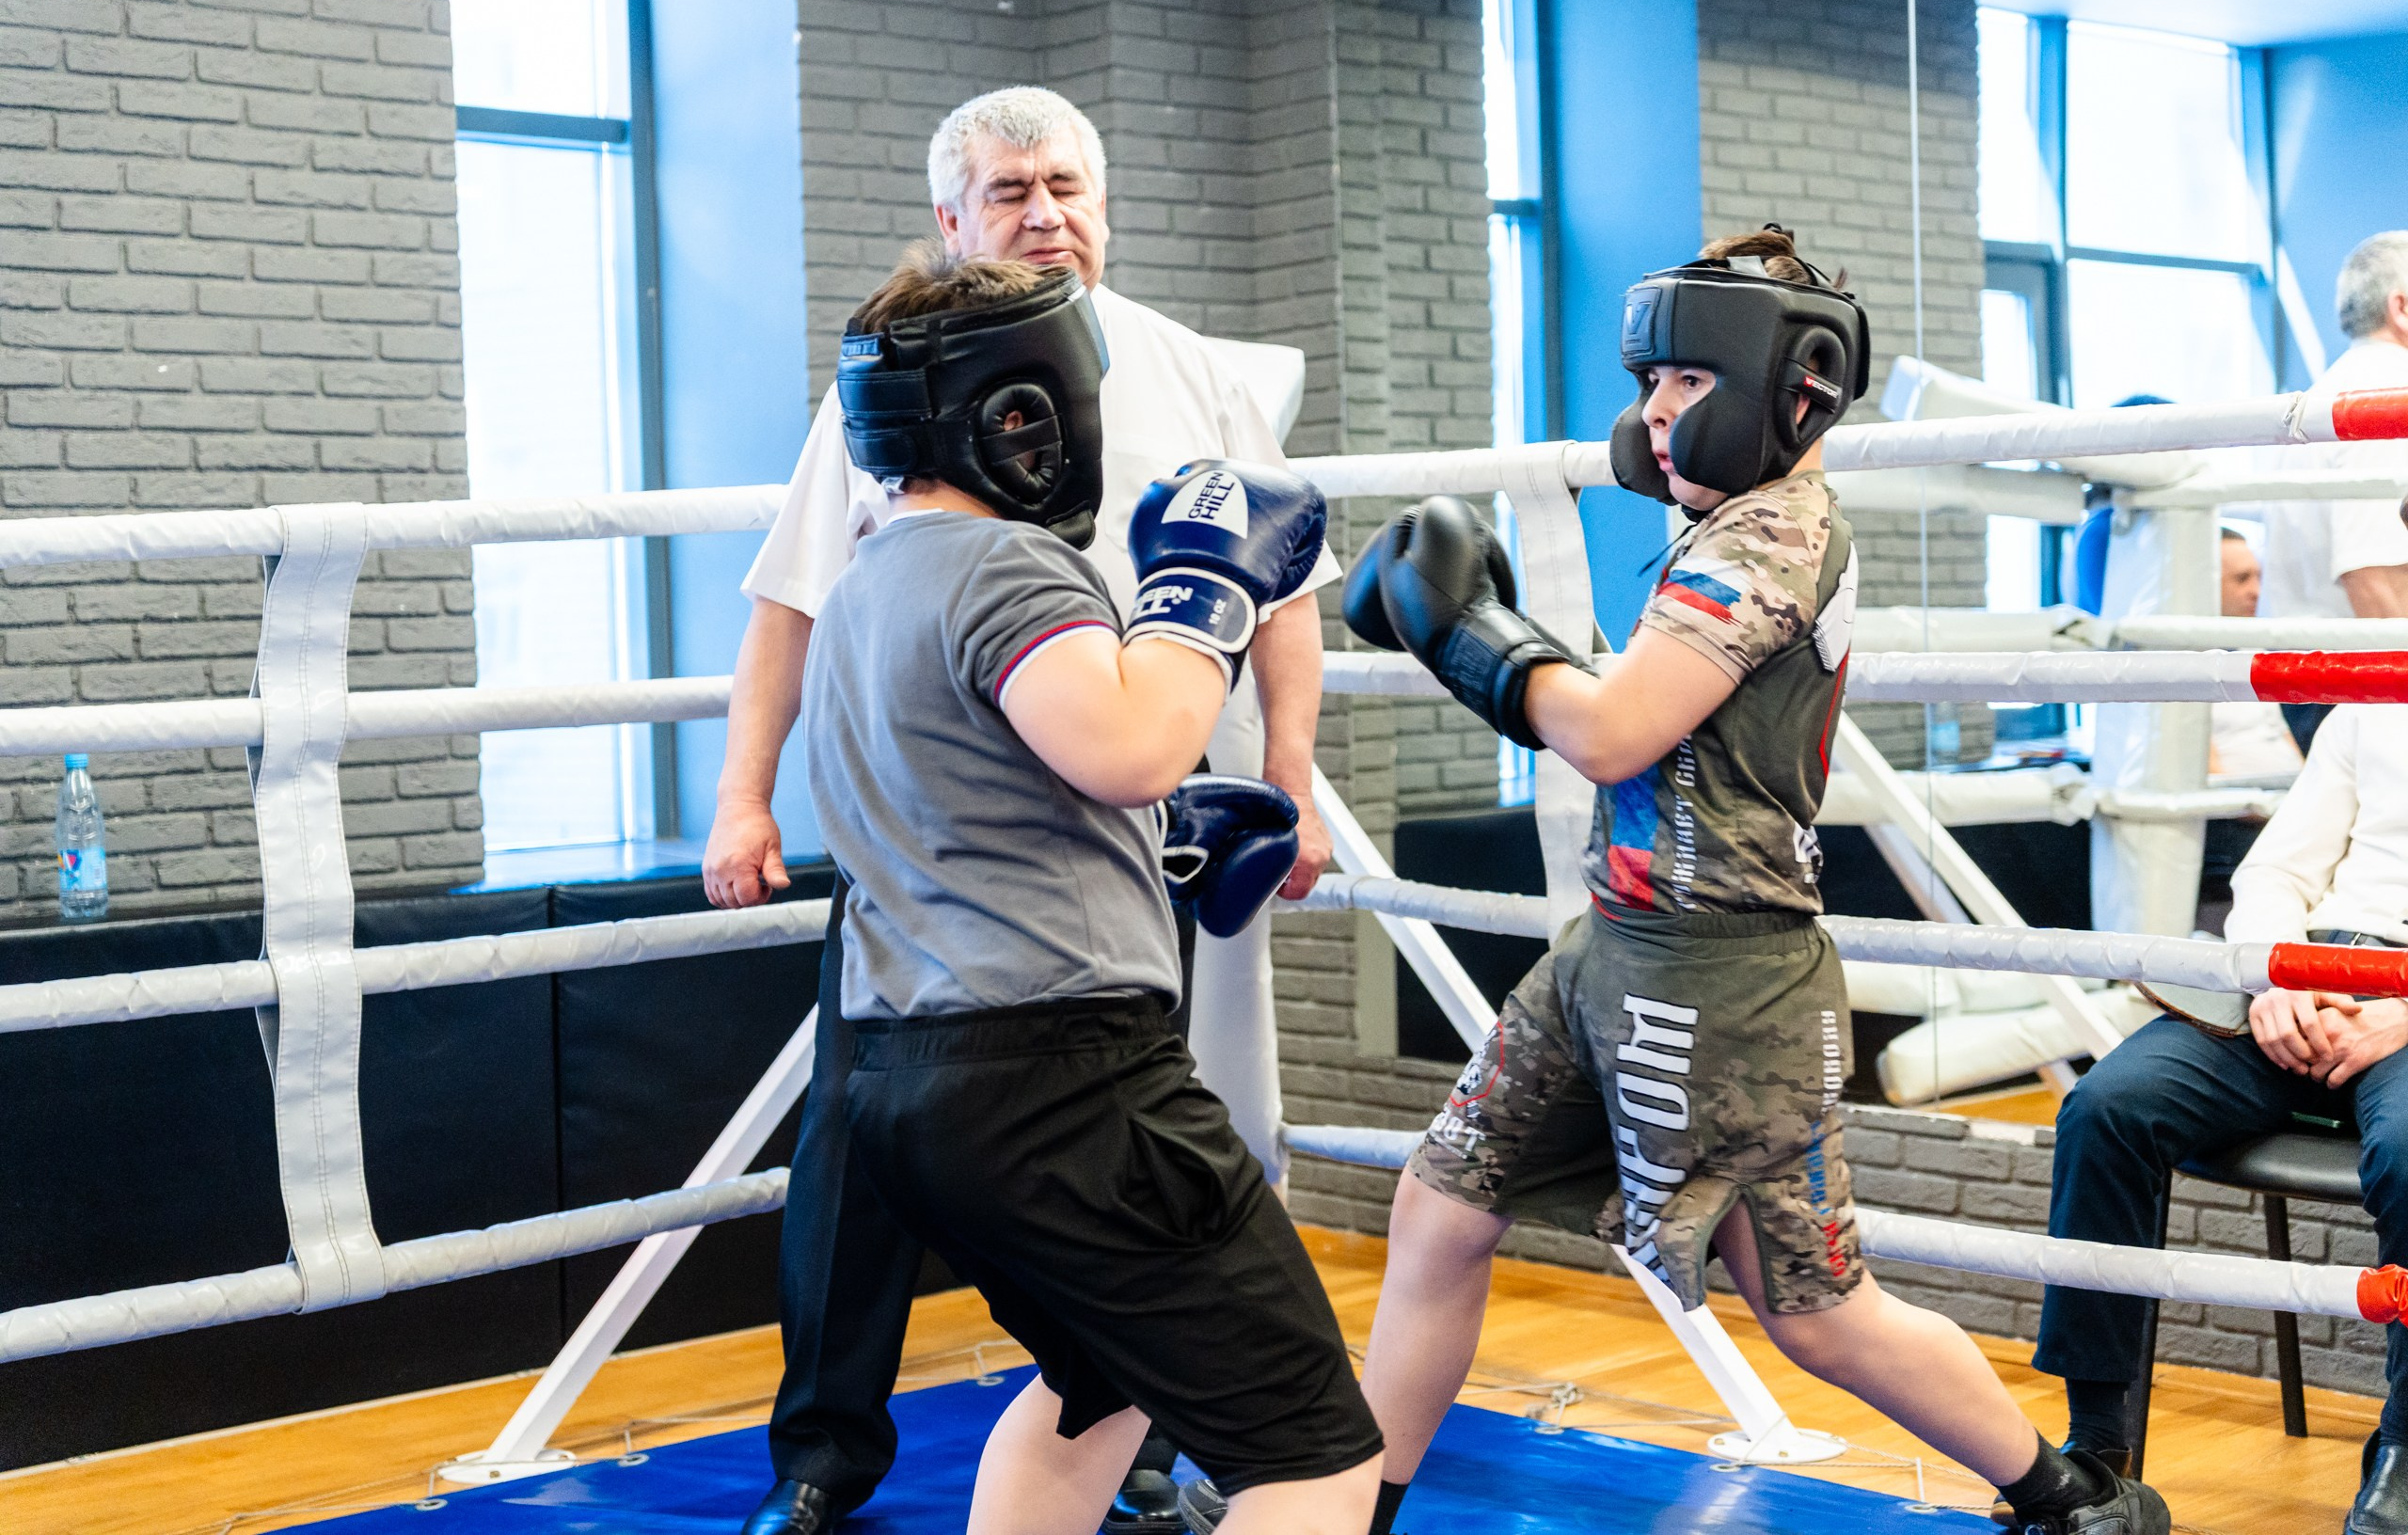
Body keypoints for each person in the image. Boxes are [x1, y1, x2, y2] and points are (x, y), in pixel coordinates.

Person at [1191, 229, 2167, 1535]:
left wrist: (1467, 630)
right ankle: (1355, 1502)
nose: (1654, 409)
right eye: (1651, 379)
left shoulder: (1764, 542)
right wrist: (1611, 480)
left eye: (1686, 383)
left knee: (1817, 1310)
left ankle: (2065, 1497)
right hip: (1620, 946)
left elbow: (1607, 730)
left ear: (1790, 384)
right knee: (1441, 1203)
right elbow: (1627, 596)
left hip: (1728, 980)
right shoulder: (1724, 509)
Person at [717, 87, 1339, 1535]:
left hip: (1142, 842)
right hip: (986, 852)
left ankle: (1156, 1416)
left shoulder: (1188, 372)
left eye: (1066, 184)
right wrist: (744, 792)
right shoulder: (921, 429)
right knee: (904, 1161)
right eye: (1008, 191)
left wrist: (1293, 777)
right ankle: (826, 1457)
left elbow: (1289, 598)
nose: (1044, 210)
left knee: (1174, 1156)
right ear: (951, 222)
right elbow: (794, 603)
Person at [2038, 674, 2408, 1535]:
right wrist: (2276, 970)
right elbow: (2276, 869)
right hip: (2307, 977)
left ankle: (2403, 1447)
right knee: (2107, 1109)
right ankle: (2098, 1445)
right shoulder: (2375, 701)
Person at [2259, 231, 2408, 752]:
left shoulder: (2327, 393)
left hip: (2326, 677)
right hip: (2366, 682)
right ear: (2402, 308)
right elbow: (2374, 577)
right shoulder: (2389, 395)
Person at [2210, 527, 2303, 783]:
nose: (2256, 591)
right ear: (2204, 584)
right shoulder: (2179, 665)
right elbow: (2203, 772)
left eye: (2258, 578)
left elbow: (2282, 733)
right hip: (2240, 815)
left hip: (2286, 802)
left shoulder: (2253, 648)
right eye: (2241, 579)